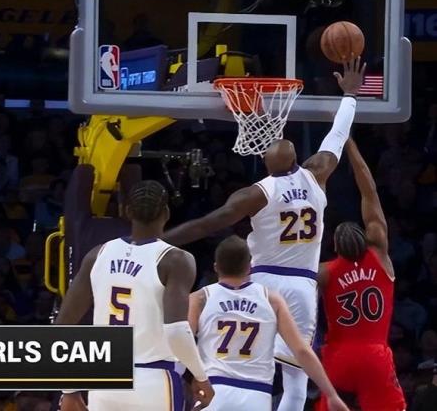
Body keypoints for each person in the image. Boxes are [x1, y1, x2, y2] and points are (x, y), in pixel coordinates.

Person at [163, 57, 366, 411]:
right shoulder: (316, 173)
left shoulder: (257, 193)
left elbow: (209, 223)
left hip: (261, 283)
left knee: (235, 361)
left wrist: (163, 241)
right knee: (296, 379)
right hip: (301, 286)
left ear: (265, 167)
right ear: (297, 160)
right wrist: (349, 95)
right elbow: (336, 135)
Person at [55, 180, 214, 411]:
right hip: (153, 380)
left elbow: (62, 325)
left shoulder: (97, 254)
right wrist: (200, 376)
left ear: (127, 212)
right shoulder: (175, 259)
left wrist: (68, 390)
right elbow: (177, 331)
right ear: (166, 213)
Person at [189, 235, 349, 411]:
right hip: (256, 396)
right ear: (249, 267)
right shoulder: (271, 300)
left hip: (213, 391)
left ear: (216, 267)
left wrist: (192, 378)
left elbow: (182, 343)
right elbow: (301, 351)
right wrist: (331, 394)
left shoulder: (199, 298)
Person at [316, 138, 406, 411]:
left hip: (338, 357)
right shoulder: (379, 255)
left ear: (334, 246)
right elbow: (369, 192)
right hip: (375, 354)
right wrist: (350, 144)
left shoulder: (325, 272)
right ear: (365, 238)